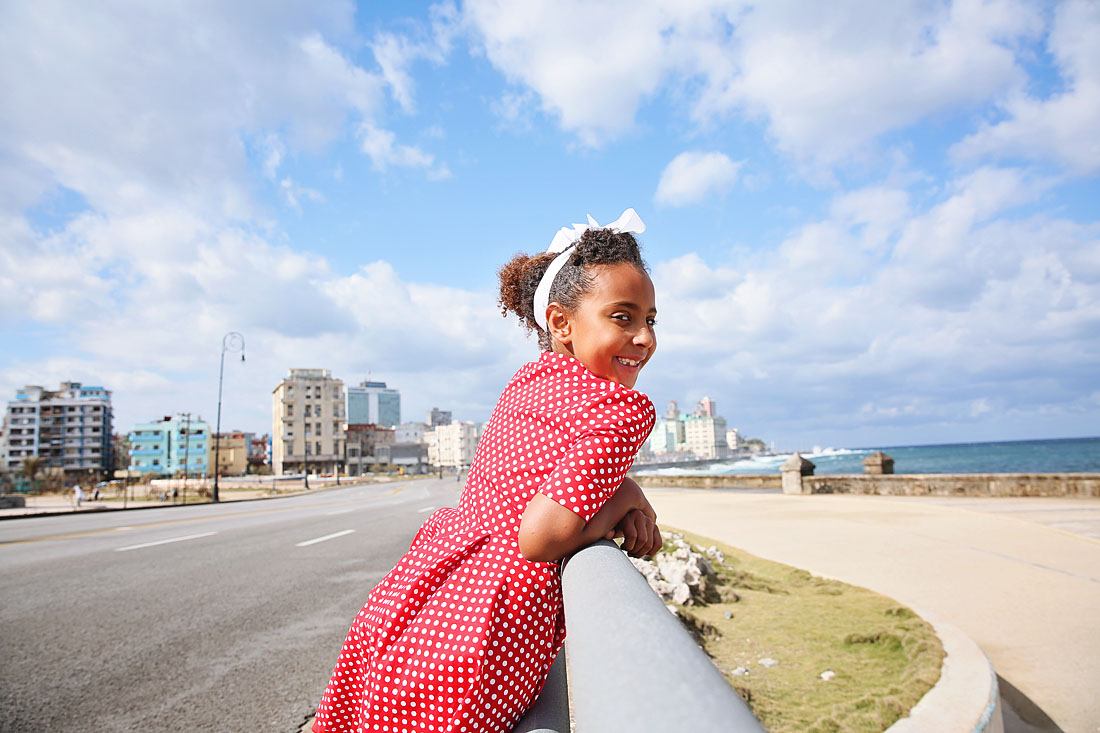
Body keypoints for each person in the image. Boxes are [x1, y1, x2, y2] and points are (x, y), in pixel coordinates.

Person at [312, 208, 662, 733]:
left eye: (650, 320)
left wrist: (621, 490)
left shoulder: (528, 380)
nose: (644, 338)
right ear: (561, 323)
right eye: (623, 317)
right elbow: (541, 538)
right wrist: (624, 498)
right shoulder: (621, 409)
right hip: (484, 633)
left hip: (420, 601)